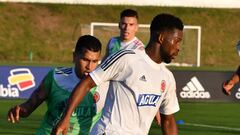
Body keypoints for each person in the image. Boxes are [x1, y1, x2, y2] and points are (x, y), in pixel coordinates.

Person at [52, 13, 184, 135]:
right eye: (177, 41)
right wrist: (66, 118)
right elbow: (87, 83)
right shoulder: (127, 58)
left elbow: (168, 119)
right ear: (161, 38)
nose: (178, 47)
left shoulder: (167, 77)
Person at [7, 35, 108, 135]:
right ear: (74, 57)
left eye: (95, 61)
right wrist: (20, 110)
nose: (89, 66)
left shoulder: (105, 84)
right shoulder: (56, 77)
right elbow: (31, 104)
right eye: (85, 60)